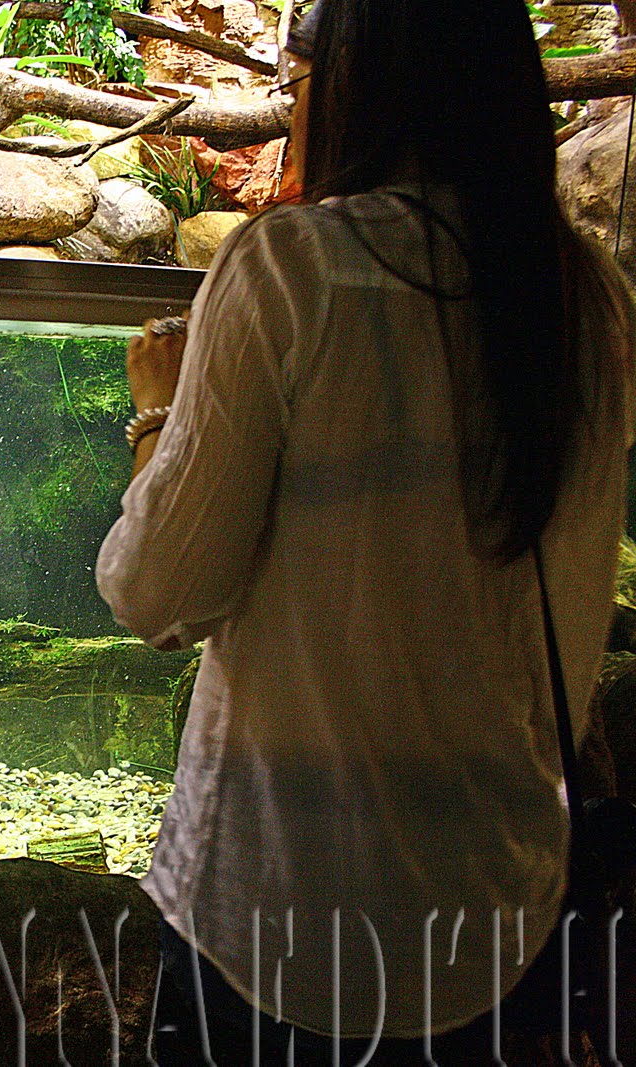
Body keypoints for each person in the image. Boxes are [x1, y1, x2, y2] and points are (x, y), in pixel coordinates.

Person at [94, 0, 634, 1062]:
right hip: (494, 911)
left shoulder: (290, 268)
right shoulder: (594, 300)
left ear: (354, 88)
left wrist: (157, 410)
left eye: (297, 87)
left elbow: (157, 594)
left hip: (276, 910)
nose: (294, 113)